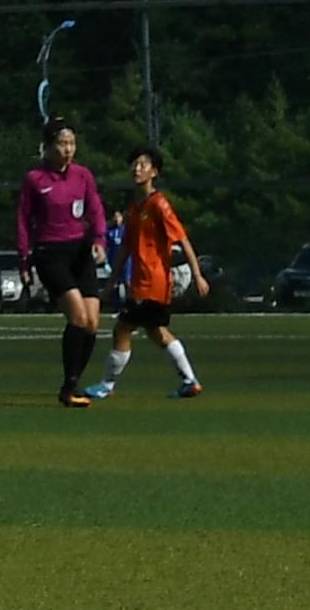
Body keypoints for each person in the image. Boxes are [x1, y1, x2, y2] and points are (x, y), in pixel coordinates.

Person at [95, 145, 207, 400]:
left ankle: (107, 385)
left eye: (143, 165)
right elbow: (126, 248)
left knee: (122, 329)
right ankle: (190, 381)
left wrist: (197, 275)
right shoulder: (135, 207)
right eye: (134, 164)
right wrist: (111, 282)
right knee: (157, 333)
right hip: (141, 282)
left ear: (154, 172)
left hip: (152, 283)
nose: (137, 168)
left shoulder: (159, 204)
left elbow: (183, 240)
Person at [16, 118, 112, 408]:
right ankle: (69, 388)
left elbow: (95, 209)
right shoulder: (35, 179)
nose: (68, 149)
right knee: (78, 318)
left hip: (80, 251)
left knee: (93, 323)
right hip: (50, 254)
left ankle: (73, 382)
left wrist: (100, 240)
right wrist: (24, 260)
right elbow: (22, 219)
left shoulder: (83, 175)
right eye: (62, 143)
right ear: (48, 147)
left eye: (71, 143)